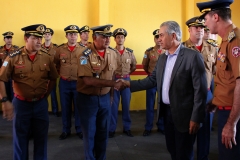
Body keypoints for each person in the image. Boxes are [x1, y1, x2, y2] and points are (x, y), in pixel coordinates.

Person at [121, 21, 207, 160]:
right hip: (167, 113)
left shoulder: (192, 56)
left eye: (161, 35)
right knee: (172, 149)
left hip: (185, 116)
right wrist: (128, 84)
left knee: (183, 153)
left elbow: (200, 91)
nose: (159, 39)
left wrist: (196, 118)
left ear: (173, 36)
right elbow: (152, 80)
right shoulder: (162, 57)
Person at [0, 24, 59, 160]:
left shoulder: (46, 57)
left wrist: (45, 96)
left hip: (40, 104)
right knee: (20, 141)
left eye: (41, 38)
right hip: (21, 105)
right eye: (35, 38)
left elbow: (53, 78)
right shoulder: (13, 57)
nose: (39, 41)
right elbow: (1, 79)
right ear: (26, 38)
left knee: (41, 140)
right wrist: (5, 100)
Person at [197, 0, 240, 159]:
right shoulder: (225, 41)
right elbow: (226, 79)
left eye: (206, 19)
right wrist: (215, 101)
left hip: (233, 113)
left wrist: (231, 124)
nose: (205, 23)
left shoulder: (235, 40)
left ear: (215, 17)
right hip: (224, 110)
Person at [76, 24, 126, 160]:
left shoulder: (112, 53)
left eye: (108, 36)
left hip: (104, 98)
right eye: (103, 37)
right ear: (94, 38)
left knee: (103, 133)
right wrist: (113, 85)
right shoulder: (84, 55)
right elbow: (88, 80)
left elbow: (113, 75)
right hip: (88, 99)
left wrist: (111, 96)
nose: (107, 39)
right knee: (89, 133)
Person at [183, 16, 217, 160]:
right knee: (187, 132)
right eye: (196, 27)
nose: (200, 30)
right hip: (188, 97)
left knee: (205, 133)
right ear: (189, 29)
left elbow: (216, 72)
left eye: (202, 27)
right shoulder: (182, 49)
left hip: (207, 95)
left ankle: (203, 157)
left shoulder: (212, 49)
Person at [54, 25, 83, 140]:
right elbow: (56, 63)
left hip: (78, 83)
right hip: (64, 83)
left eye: (75, 34)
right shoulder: (60, 49)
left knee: (78, 108)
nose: (73, 36)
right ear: (66, 36)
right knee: (65, 107)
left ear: (78, 36)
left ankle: (79, 129)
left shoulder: (83, 49)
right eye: (70, 34)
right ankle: (66, 130)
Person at [108, 28, 137, 138]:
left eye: (122, 37)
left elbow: (133, 66)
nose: (120, 39)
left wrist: (126, 75)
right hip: (114, 81)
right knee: (113, 106)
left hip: (126, 81)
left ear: (124, 39)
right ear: (115, 39)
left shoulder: (129, 53)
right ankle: (112, 129)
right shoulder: (110, 52)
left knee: (126, 105)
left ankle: (127, 128)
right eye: (118, 37)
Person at [141, 29, 165, 136]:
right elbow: (145, 65)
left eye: (161, 37)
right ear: (154, 39)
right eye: (157, 37)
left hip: (163, 81)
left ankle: (161, 125)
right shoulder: (149, 52)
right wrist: (151, 75)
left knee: (162, 104)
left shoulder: (167, 51)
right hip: (151, 80)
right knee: (150, 104)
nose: (159, 40)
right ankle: (148, 127)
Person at [42, 28, 59, 117]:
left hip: (52, 74)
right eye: (46, 34)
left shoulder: (56, 48)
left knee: (52, 92)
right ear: (43, 36)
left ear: (51, 36)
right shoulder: (39, 47)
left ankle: (55, 111)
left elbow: (59, 62)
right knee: (41, 93)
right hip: (41, 74)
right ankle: (42, 111)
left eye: (49, 34)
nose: (47, 35)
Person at [0, 32, 19, 101]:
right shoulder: (0, 50)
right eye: (7, 38)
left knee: (14, 95)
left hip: (13, 76)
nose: (9, 40)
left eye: (10, 38)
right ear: (4, 39)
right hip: (3, 76)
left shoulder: (16, 50)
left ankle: (14, 111)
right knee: (5, 95)